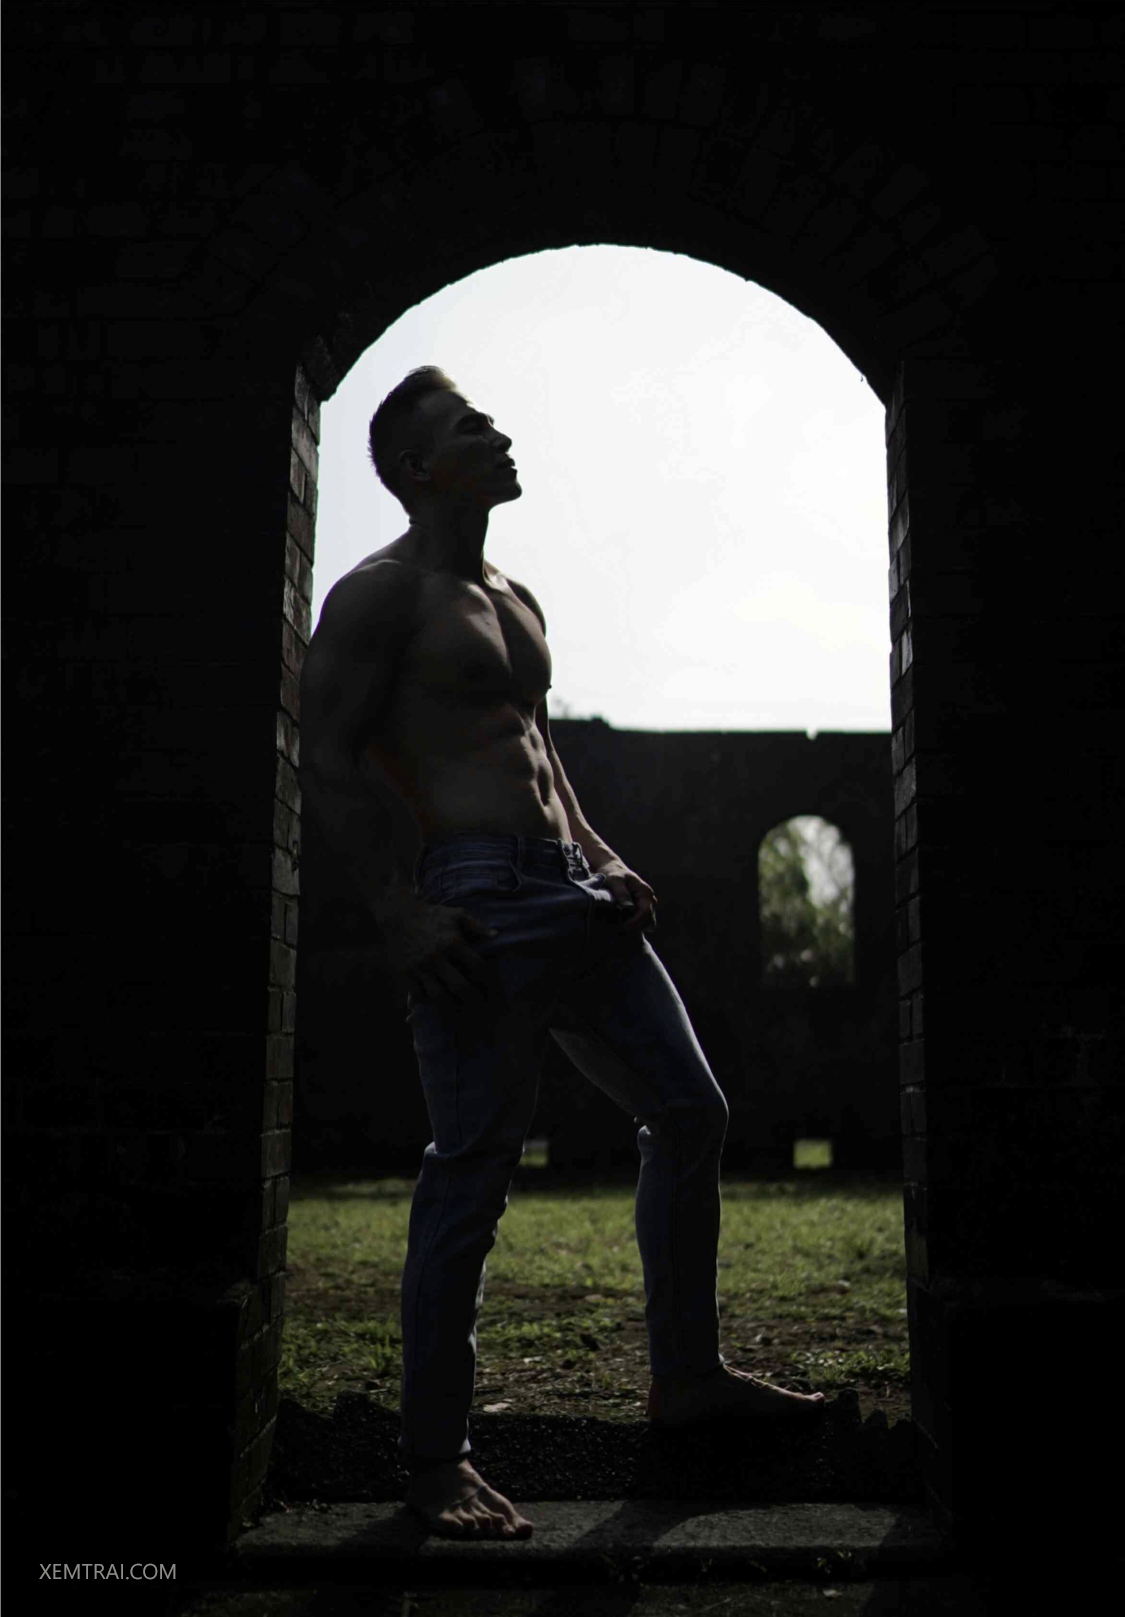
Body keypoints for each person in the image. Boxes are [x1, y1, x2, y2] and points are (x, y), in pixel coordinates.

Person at [299, 367, 825, 1541]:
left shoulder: (516, 596)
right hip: (477, 899)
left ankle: (686, 1377)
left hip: (575, 892)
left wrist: (599, 849)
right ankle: (436, 1459)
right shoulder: (380, 595)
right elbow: (326, 755)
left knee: (690, 1112)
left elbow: (534, 742)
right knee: (472, 1167)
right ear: (418, 470)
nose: (498, 433)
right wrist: (398, 913)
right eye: (469, 427)